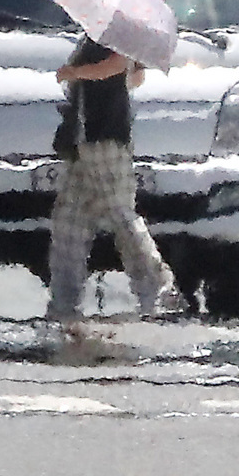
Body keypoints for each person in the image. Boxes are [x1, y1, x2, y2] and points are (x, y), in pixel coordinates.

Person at [45, 36, 177, 320]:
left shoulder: (114, 33)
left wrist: (76, 72)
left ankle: (159, 287)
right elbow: (135, 77)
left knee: (119, 213)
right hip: (83, 139)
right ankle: (63, 302)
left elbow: (119, 64)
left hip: (105, 138)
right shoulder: (95, 35)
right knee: (69, 220)